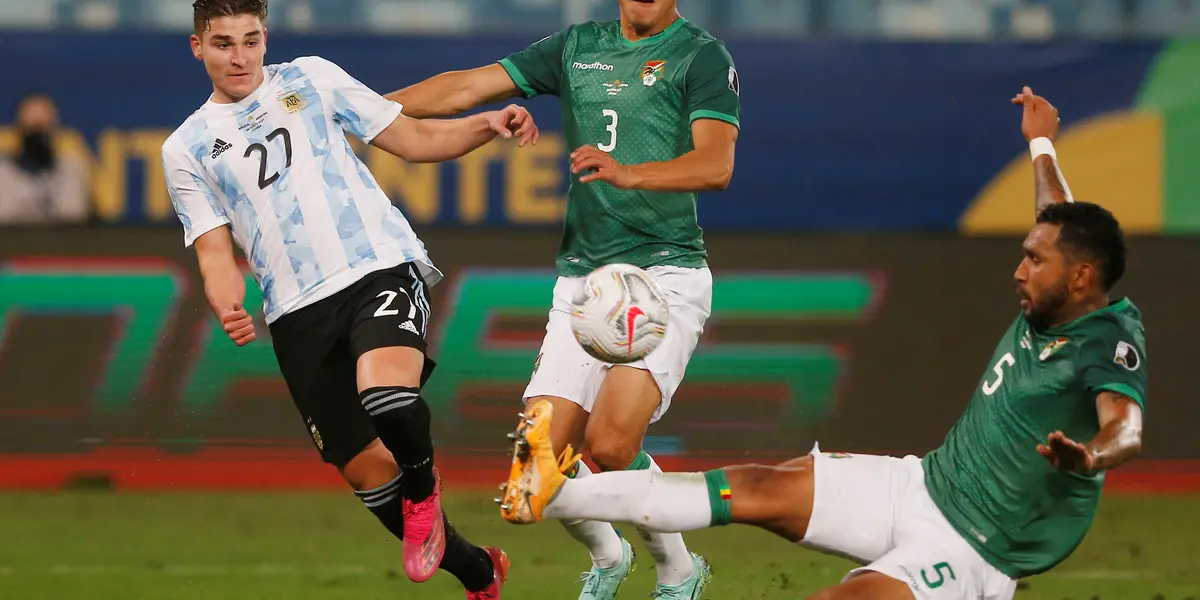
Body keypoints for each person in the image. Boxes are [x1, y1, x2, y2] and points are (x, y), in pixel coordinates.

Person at [497, 87, 1148, 600]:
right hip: (921, 486)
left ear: (1083, 278)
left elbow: (1127, 429)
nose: (1020, 269)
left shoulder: (1109, 343)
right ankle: (545, 495)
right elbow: (1057, 218)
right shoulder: (1069, 273)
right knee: (751, 486)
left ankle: (556, 498)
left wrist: (1090, 458)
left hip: (971, 551)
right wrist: (1039, 144)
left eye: (1036, 261)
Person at [161, 1, 538, 597]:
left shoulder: (312, 77)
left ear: (266, 38)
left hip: (375, 266)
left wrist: (484, 126)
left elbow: (409, 138)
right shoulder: (185, 147)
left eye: (251, 40)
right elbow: (213, 250)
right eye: (224, 43)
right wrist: (227, 300)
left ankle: (424, 486)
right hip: (294, 315)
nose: (240, 57)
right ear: (197, 47)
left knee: (386, 394)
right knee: (366, 475)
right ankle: (479, 570)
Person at [388, 1, 740, 597]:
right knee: (533, 479)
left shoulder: (701, 56)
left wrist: (630, 173)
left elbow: (716, 164)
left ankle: (680, 571)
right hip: (587, 282)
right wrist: (356, 108)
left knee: (609, 445)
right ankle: (609, 558)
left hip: (664, 276)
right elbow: (467, 87)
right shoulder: (578, 45)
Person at [0, 93, 89, 224]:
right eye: (32, 128)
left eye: (43, 126)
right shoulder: (2, 174)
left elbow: (74, 222)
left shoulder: (70, 172)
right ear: (18, 128)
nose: (38, 137)